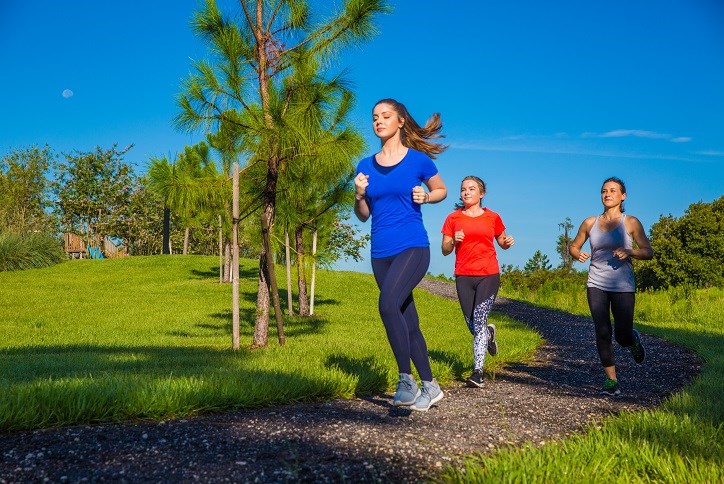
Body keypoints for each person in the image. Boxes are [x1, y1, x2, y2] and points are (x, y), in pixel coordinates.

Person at [353, 98, 448, 412]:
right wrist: (359, 194)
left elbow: (441, 190)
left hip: (412, 247)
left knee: (388, 304)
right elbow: (363, 215)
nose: (379, 121)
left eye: (385, 116)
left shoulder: (418, 161)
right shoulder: (365, 166)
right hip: (380, 253)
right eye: (374, 117)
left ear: (401, 121)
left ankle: (405, 379)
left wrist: (428, 196)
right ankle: (431, 387)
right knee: (408, 320)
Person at [569, 176, 654, 396]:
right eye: (604, 191)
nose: (607, 194)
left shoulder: (631, 222)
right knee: (603, 331)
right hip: (596, 282)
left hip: (623, 284)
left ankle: (632, 339)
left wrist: (630, 251)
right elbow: (574, 246)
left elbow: (648, 251)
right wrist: (578, 254)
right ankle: (611, 381)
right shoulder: (590, 222)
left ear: (623, 196)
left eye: (613, 191)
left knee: (621, 335)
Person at [441, 176, 514, 388]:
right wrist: (454, 241)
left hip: (488, 274)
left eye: (471, 189)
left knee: (480, 319)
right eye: (463, 189)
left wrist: (507, 242)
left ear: (481, 194)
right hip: (463, 276)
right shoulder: (453, 218)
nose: (466, 192)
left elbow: (502, 242)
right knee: (472, 325)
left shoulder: (492, 217)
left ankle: (478, 372)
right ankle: (489, 334)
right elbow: (445, 250)